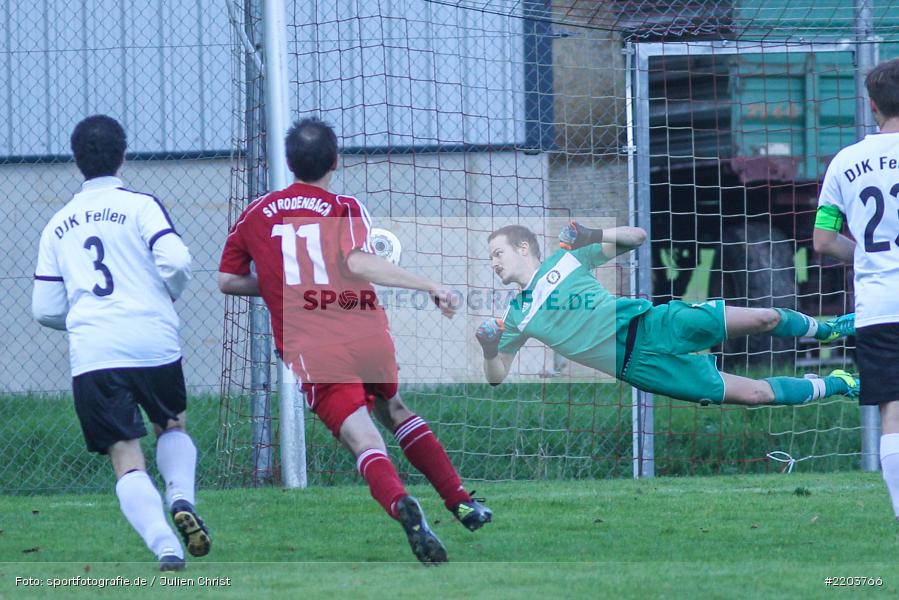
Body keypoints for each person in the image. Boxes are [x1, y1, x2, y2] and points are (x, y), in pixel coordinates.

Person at [217, 117, 491, 564]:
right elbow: (360, 263)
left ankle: (402, 503)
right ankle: (460, 500)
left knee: (364, 440)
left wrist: (278, 283)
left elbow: (228, 280)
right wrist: (428, 285)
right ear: (335, 160)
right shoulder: (344, 206)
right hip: (364, 331)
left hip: (312, 345)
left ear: (288, 163)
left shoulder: (255, 214)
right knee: (396, 409)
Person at [31, 115, 210, 571]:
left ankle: (165, 547)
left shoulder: (57, 224)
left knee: (125, 454)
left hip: (95, 350)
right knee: (171, 424)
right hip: (153, 338)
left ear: (76, 160)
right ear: (123, 153)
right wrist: (162, 294)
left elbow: (45, 307)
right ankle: (182, 497)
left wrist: (87, 321)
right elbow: (176, 259)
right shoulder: (142, 205)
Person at [476, 222, 859, 408]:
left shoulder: (569, 259)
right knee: (754, 394)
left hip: (655, 323)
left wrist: (592, 233)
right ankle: (839, 383)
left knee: (764, 318)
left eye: (498, 253)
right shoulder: (516, 316)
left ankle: (826, 330)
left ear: (524, 247)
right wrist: (490, 351)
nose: (494, 263)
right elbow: (497, 378)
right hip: (640, 367)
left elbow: (638, 237)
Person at [814, 57, 899, 521]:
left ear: (871, 106)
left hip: (881, 307)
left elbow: (823, 240)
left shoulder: (844, 163)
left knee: (894, 412)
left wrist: (867, 257)